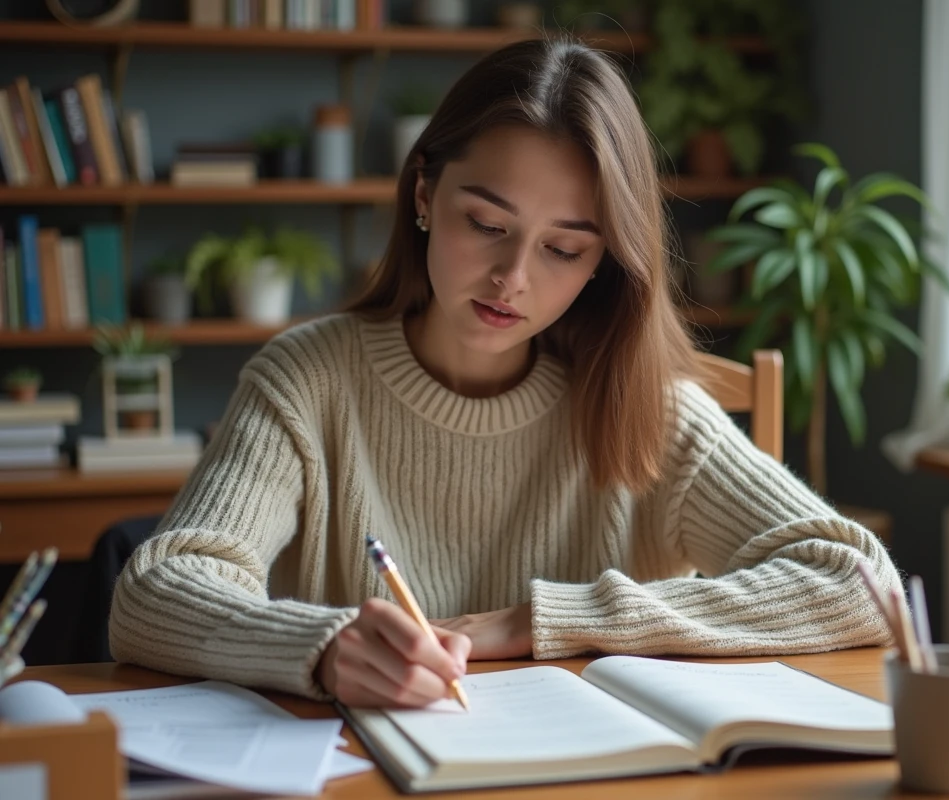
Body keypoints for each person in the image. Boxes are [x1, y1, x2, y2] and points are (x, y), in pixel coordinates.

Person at [109, 36, 901, 709]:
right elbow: (155, 594)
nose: (512, 278)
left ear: (605, 261)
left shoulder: (647, 407)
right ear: (424, 192)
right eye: (485, 223)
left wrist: (538, 620)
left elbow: (860, 582)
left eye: (564, 248)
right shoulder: (308, 382)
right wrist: (321, 646)